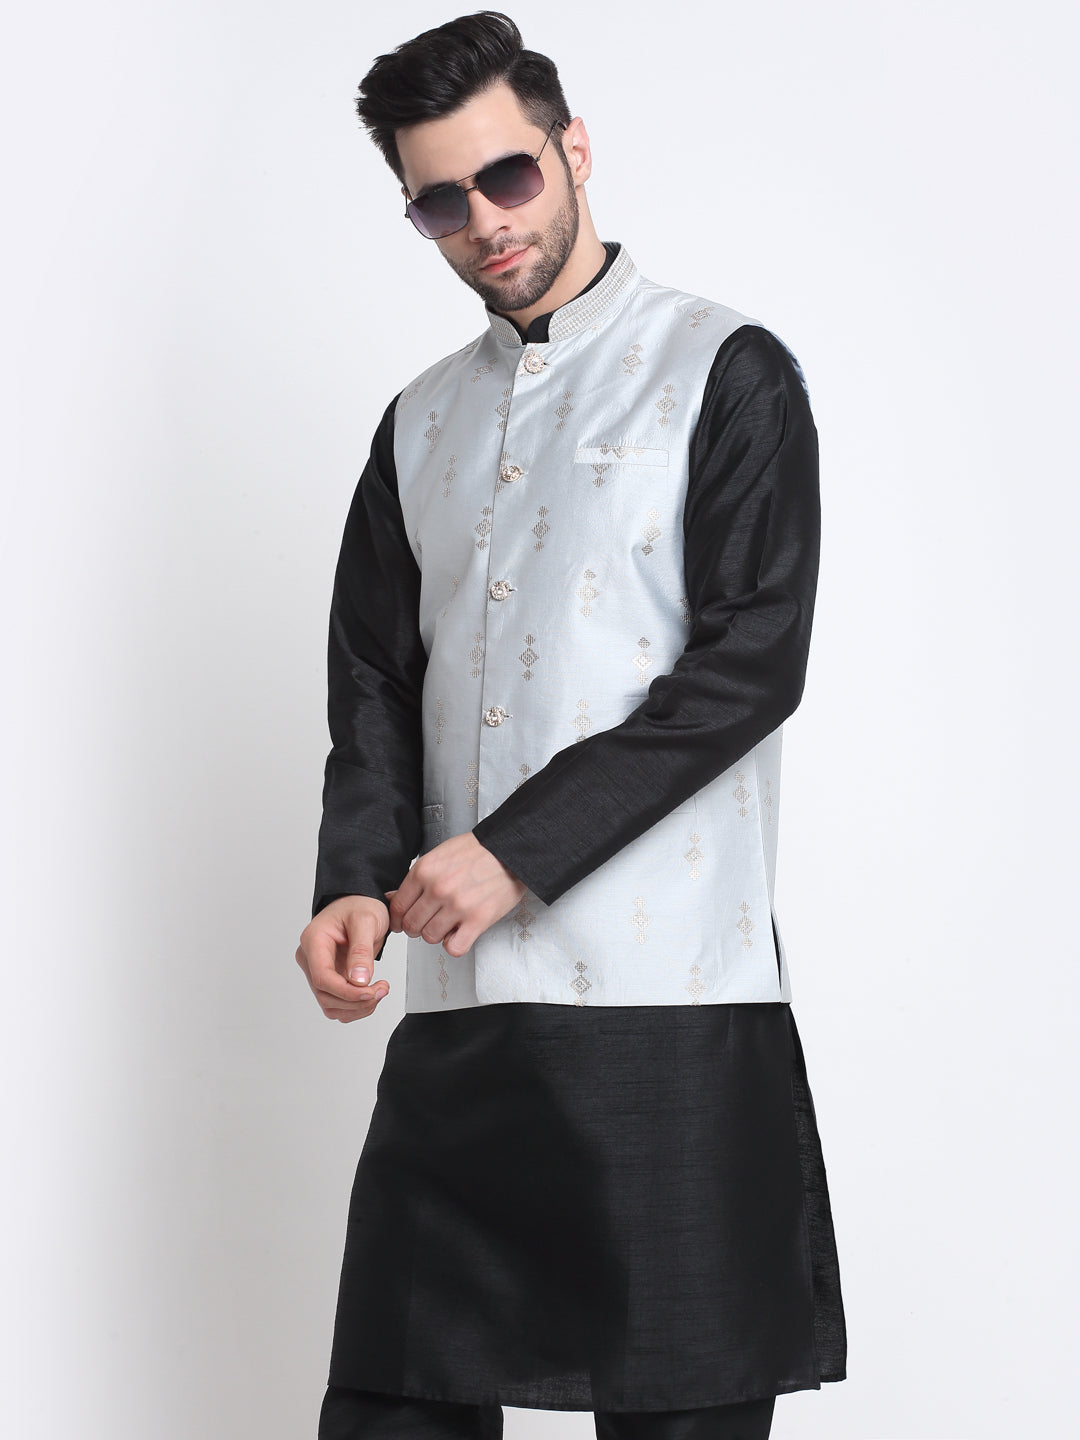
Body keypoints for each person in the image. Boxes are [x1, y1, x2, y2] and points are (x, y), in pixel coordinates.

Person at [295, 12, 848, 1439]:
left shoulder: (724, 370)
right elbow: (374, 682)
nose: (483, 221)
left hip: (670, 1013)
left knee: (681, 1415)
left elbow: (749, 667)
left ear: (573, 150)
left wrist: (512, 852)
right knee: (391, 1401)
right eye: (439, 201)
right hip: (463, 1018)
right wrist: (355, 880)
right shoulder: (417, 423)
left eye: (508, 177)